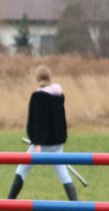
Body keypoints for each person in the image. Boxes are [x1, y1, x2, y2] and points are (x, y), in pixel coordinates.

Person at [7, 65, 77, 201]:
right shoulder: (59, 96)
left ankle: (9, 202)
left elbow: (37, 121)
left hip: (41, 144)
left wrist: (37, 142)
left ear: (37, 78)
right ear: (49, 78)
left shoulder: (37, 96)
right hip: (57, 144)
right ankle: (75, 206)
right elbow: (60, 120)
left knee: (22, 170)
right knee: (64, 174)